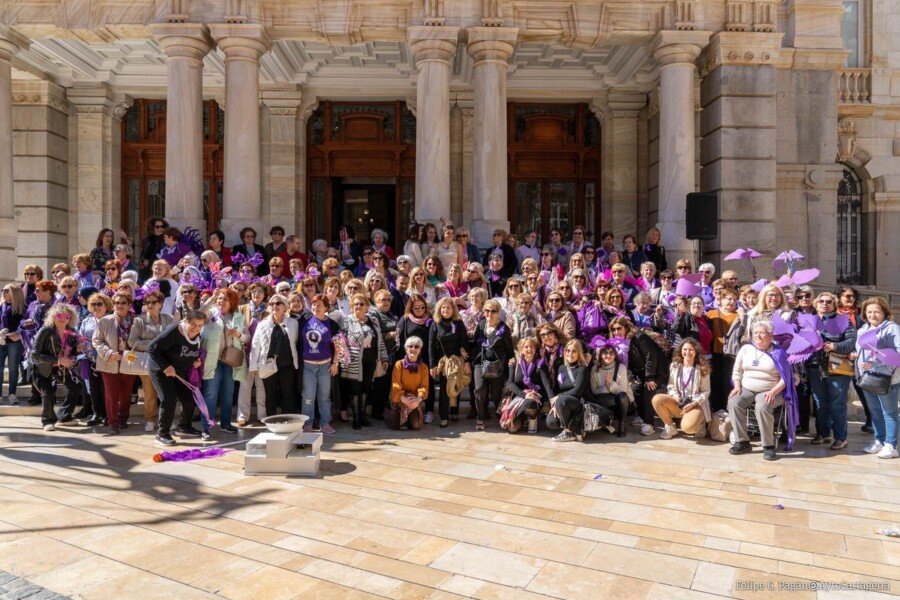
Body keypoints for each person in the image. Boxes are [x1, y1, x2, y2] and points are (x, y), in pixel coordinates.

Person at [728, 320, 798, 461]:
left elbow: (786, 378)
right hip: (747, 388)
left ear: (771, 335)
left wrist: (773, 392)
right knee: (733, 402)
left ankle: (768, 445)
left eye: (762, 332)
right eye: (755, 332)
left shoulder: (779, 353)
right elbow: (737, 370)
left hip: (772, 390)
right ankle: (742, 441)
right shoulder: (745, 349)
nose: (757, 335)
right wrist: (737, 386)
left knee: (762, 405)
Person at [147, 310, 208, 446]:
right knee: (168, 399)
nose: (196, 328)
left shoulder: (198, 334)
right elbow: (152, 349)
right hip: (161, 369)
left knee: (189, 398)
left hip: (179, 371)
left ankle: (184, 427)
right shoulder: (174, 331)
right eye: (193, 324)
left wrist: (196, 360)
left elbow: (189, 351)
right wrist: (166, 366)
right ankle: (162, 434)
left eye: (200, 325)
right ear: (186, 321)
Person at [806, 292, 857, 451]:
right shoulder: (809, 321)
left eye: (829, 301)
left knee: (837, 404)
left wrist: (834, 346)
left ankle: (841, 438)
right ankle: (823, 433)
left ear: (834, 305)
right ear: (815, 303)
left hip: (837, 368)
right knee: (820, 403)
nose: (824, 303)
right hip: (815, 367)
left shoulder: (842, 320)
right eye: (821, 301)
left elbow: (851, 341)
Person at [852, 297, 899, 459]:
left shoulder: (891, 329)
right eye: (869, 311)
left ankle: (891, 445)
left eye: (876, 311)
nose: (872, 315)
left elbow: (897, 353)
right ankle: (879, 440)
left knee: (889, 412)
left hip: (886, 378)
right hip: (866, 378)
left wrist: (876, 363)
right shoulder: (862, 329)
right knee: (875, 411)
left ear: (884, 312)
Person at [200, 289, 247, 440]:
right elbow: (198, 314)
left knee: (228, 394)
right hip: (212, 360)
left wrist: (238, 335)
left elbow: (247, 338)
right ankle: (205, 427)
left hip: (230, 360)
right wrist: (210, 299)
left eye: (224, 299)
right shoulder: (211, 313)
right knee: (210, 394)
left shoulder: (239, 316)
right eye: (219, 298)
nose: (221, 301)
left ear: (232, 301)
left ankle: (226, 424)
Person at [612, 316, 670, 436]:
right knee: (634, 389)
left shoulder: (639, 337)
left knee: (647, 390)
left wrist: (649, 378)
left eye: (619, 328)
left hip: (657, 370)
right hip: (640, 372)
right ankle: (643, 417)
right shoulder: (622, 343)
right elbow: (628, 363)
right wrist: (631, 378)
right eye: (614, 329)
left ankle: (649, 423)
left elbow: (651, 357)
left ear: (626, 328)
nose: (616, 332)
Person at [339, 292, 389, 430]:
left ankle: (362, 416)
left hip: (371, 361)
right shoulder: (347, 321)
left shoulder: (373, 320)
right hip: (354, 362)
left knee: (366, 388)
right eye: (356, 304)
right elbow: (341, 340)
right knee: (355, 389)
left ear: (367, 307)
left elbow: (380, 341)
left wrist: (384, 357)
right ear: (351, 307)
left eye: (362, 304)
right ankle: (356, 418)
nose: (359, 306)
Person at [127, 290, 174, 432]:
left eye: (154, 302)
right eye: (147, 302)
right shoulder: (139, 320)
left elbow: (174, 339)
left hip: (166, 361)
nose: (150, 305)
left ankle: (167, 421)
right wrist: (154, 345)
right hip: (148, 361)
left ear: (161, 304)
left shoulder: (169, 319)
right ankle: (150, 419)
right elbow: (132, 341)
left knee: (167, 394)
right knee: (150, 394)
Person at [30, 303, 81, 432]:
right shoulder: (46, 330)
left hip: (62, 367)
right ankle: (48, 420)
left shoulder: (72, 331)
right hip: (44, 367)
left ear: (70, 318)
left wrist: (77, 350)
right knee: (48, 393)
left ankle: (64, 416)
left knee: (75, 388)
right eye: (59, 315)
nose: (62, 318)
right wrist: (57, 360)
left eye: (66, 316)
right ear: (53, 317)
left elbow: (71, 352)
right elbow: (35, 354)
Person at [248, 294, 300, 418]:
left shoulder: (293, 323)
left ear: (285, 306)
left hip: (287, 364)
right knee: (270, 395)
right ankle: (272, 422)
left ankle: (289, 421)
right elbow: (255, 345)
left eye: (278, 303)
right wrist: (253, 365)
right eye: (272, 304)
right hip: (268, 364)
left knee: (288, 394)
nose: (274, 306)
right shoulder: (263, 323)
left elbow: (296, 342)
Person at [92, 291, 136, 434]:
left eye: (123, 303)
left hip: (130, 362)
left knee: (126, 394)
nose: (119, 305)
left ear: (129, 305)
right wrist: (109, 353)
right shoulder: (105, 320)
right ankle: (112, 422)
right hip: (109, 362)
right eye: (116, 303)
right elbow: (96, 341)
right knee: (111, 394)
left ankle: (123, 419)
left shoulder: (137, 320)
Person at [652, 338, 711, 440]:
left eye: (691, 350)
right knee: (657, 399)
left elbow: (706, 392)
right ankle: (670, 427)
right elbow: (670, 385)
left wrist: (693, 404)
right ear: (680, 350)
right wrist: (674, 395)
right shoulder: (675, 366)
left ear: (696, 351)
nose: (687, 352)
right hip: (679, 403)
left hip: (695, 404)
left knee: (688, 428)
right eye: (685, 349)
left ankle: (700, 423)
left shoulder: (702, 368)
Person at [472, 299, 514, 431]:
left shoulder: (504, 328)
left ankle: (500, 415)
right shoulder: (480, 325)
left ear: (498, 312)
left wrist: (510, 363)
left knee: (496, 394)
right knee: (479, 389)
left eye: (493, 311)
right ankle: (480, 416)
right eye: (487, 310)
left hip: (497, 365)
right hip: (481, 363)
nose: (489, 313)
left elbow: (509, 349)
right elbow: (474, 344)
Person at [428, 297, 470, 427]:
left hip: (457, 360)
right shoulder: (435, 324)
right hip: (443, 362)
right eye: (443, 307)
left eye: (448, 307)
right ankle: (444, 416)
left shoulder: (458, 323)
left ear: (453, 309)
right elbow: (430, 346)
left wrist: (467, 362)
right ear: (439, 309)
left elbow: (465, 343)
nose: (446, 310)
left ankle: (454, 411)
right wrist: (432, 365)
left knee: (455, 385)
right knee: (444, 389)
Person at [546, 340, 592, 442]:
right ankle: (577, 428)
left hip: (578, 403)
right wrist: (555, 406)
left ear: (579, 353)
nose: (570, 354)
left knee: (562, 400)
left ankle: (568, 432)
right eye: (568, 350)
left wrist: (559, 398)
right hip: (564, 402)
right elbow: (558, 389)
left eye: (574, 351)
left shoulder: (582, 368)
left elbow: (577, 391)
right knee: (551, 422)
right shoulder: (562, 368)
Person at [502, 337, 551, 434]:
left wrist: (552, 400)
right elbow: (510, 383)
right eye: (526, 347)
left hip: (535, 397)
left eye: (531, 346)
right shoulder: (515, 363)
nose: (529, 349)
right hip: (518, 397)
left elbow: (546, 384)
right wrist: (524, 394)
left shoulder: (540, 364)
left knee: (530, 402)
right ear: (521, 350)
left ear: (535, 348)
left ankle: (532, 419)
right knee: (512, 429)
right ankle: (522, 418)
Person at [588, 340, 632, 437]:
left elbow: (623, 391)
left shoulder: (621, 368)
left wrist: (610, 384)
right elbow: (594, 391)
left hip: (621, 401)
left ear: (615, 355)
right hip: (604, 399)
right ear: (600, 355)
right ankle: (607, 420)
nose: (608, 355)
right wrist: (607, 387)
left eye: (611, 353)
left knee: (623, 396)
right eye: (605, 353)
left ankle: (622, 423)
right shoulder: (594, 369)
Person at [707, 288, 741, 412]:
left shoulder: (739, 315)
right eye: (728, 298)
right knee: (715, 381)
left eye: (734, 299)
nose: (731, 301)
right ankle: (716, 409)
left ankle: (727, 409)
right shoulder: (711, 314)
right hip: (714, 352)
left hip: (732, 354)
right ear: (721, 299)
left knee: (728, 382)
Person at [77, 292, 108, 426]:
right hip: (90, 358)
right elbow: (80, 337)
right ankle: (97, 413)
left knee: (106, 388)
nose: (96, 307)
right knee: (94, 388)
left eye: (99, 304)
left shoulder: (112, 319)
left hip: (107, 359)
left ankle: (108, 414)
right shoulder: (86, 320)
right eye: (93, 304)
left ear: (106, 305)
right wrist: (81, 344)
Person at [386, 336, 429, 430]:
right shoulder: (399, 364)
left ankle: (409, 418)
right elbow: (395, 384)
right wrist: (404, 399)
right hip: (400, 397)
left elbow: (424, 386)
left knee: (416, 426)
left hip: (414, 399)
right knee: (402, 426)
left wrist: (418, 399)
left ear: (420, 349)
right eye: (410, 346)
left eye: (416, 347)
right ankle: (403, 420)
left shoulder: (423, 367)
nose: (413, 349)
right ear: (406, 349)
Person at [0, 284, 26, 405]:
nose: (3, 293)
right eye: (3, 290)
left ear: (15, 293)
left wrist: (17, 333)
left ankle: (12, 394)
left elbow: (25, 324)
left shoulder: (23, 308)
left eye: (6, 290)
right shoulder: (1, 307)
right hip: (1, 341)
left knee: (13, 369)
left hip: (15, 342)